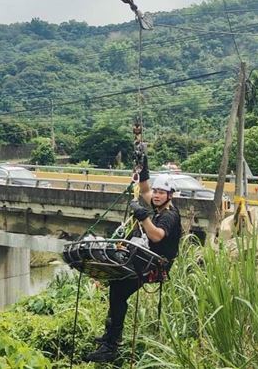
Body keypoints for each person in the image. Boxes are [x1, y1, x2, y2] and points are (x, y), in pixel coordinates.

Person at [84, 156, 183, 363]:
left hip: (155, 265)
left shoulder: (169, 215)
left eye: (161, 192)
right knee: (116, 287)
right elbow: (145, 190)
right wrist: (143, 166)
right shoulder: (158, 207)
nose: (156, 195)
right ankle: (110, 336)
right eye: (156, 191)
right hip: (145, 259)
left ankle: (111, 346)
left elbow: (156, 236)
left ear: (170, 195)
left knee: (119, 292)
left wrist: (143, 217)